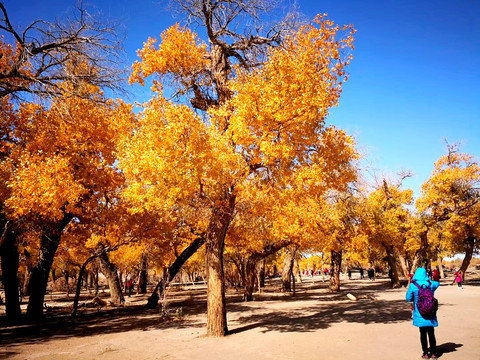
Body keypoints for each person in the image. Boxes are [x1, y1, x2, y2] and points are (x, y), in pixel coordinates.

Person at [406, 267, 440, 359]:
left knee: (423, 333)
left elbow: (408, 298)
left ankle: (425, 353)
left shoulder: (413, 285)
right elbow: (438, 283)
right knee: (431, 333)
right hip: (430, 311)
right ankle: (434, 353)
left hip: (420, 312)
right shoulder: (431, 284)